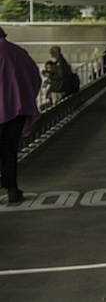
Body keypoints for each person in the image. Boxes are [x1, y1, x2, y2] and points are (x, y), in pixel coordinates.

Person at [0, 27, 42, 204]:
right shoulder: (19, 52)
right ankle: (12, 190)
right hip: (17, 111)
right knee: (10, 151)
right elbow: (36, 78)